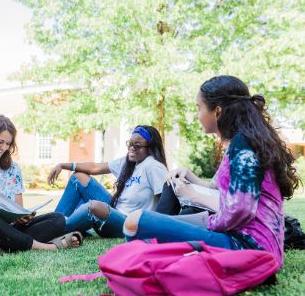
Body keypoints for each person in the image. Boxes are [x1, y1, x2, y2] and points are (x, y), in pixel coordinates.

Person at [123, 75, 300, 266]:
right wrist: (189, 177)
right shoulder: (241, 142)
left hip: (249, 248)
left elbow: (239, 210)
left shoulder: (244, 145)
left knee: (137, 222)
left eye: (199, 108)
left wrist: (197, 209)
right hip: (245, 240)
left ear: (217, 111)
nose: (197, 115)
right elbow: (217, 188)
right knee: (152, 223)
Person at [0, 115, 81, 255]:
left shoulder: (13, 169)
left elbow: (18, 210)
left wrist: (23, 217)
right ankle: (47, 247)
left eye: (8, 144)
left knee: (57, 219)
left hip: (9, 229)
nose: (3, 148)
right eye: (0, 142)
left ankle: (0, 245)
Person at [48, 125, 168, 238]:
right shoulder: (128, 162)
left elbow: (166, 201)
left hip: (128, 223)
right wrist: (63, 165)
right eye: (130, 144)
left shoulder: (153, 166)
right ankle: (55, 221)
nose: (132, 148)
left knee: (93, 206)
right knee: (78, 177)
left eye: (137, 145)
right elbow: (95, 168)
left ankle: (52, 232)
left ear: (150, 148)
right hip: (115, 210)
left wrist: (155, 229)